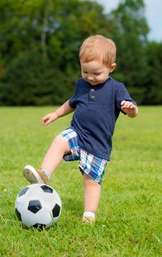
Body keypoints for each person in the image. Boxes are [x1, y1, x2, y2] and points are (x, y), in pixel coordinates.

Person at [23, 35, 138, 223]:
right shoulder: (81, 84)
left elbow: (133, 111)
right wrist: (56, 114)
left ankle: (89, 214)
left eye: (96, 73)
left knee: (91, 181)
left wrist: (131, 110)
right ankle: (44, 175)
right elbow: (72, 102)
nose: (90, 78)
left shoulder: (117, 89)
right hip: (77, 132)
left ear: (111, 68)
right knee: (60, 139)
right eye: (85, 71)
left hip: (98, 144)